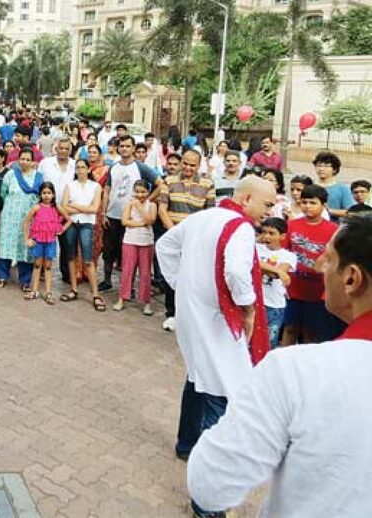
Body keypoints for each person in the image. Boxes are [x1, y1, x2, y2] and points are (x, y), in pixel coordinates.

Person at [187, 212, 372, 517]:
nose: (320, 266)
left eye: (329, 258)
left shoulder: (298, 371)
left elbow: (210, 484)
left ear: (351, 278)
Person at [156, 176, 277, 476]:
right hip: (218, 318)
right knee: (222, 387)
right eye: (268, 204)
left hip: (194, 313)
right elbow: (236, 272)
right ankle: (208, 482)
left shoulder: (204, 217)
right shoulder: (241, 228)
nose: (270, 211)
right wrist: (247, 308)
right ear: (247, 199)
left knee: (199, 376)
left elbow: (165, 245)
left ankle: (187, 446)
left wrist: (180, 285)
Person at [157, 150, 216, 332]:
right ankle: (171, 314)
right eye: (185, 163)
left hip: (196, 239)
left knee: (193, 277)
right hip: (174, 236)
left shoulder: (208, 184)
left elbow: (209, 213)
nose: (188, 168)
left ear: (198, 166)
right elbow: (162, 210)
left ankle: (191, 314)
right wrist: (176, 234)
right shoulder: (169, 181)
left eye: (193, 165)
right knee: (172, 276)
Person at [282, 184, 345, 345]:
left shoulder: (333, 230)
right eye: (304, 202)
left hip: (317, 291)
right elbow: (284, 252)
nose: (307, 206)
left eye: (312, 202)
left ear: (323, 205)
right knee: (290, 329)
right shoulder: (291, 225)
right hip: (293, 288)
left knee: (310, 333)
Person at [99, 135, 162, 292]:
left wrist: (146, 200)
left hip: (132, 219)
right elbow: (107, 190)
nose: (124, 149)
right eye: (122, 146)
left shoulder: (140, 167)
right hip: (112, 215)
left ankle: (128, 287)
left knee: (128, 255)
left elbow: (160, 184)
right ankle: (107, 280)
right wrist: (103, 212)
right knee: (108, 251)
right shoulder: (113, 167)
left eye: (128, 146)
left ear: (133, 148)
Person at [0, 148, 43, 290]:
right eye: (22, 159)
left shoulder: (38, 177)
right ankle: (2, 276)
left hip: (28, 218)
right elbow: (3, 193)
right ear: (18, 160)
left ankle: (25, 280)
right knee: (6, 245)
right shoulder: (10, 175)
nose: (24, 162)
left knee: (25, 246)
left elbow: (40, 197)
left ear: (33, 161)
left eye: (28, 159)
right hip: (9, 216)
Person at [60, 158, 103, 310]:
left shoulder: (95, 186)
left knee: (88, 259)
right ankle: (74, 289)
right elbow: (64, 208)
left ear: (88, 169)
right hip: (72, 223)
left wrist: (74, 206)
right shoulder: (70, 186)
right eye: (78, 167)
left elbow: (94, 208)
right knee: (71, 256)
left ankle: (95, 294)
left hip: (87, 224)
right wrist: (83, 208)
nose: (80, 170)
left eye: (83, 167)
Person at [113, 180, 157, 315]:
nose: (140, 195)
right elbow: (125, 221)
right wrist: (141, 223)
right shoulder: (129, 204)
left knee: (145, 273)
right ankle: (122, 298)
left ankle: (146, 301)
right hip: (130, 240)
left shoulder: (152, 205)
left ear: (148, 192)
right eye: (137, 191)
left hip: (146, 241)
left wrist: (139, 209)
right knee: (127, 270)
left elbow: (150, 220)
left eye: (143, 192)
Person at [22, 182, 70, 304]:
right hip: (38, 240)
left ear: (53, 194)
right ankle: (34, 290)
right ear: (40, 194)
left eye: (49, 193)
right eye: (44, 193)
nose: (46, 196)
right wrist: (26, 238)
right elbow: (26, 222)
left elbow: (69, 220)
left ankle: (48, 292)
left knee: (48, 266)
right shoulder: (36, 207)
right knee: (37, 265)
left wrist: (61, 230)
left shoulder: (57, 207)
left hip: (50, 241)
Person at [256, 217, 296, 349]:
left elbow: (275, 274)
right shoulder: (254, 248)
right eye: (264, 232)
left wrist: (277, 272)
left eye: (272, 233)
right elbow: (277, 272)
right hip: (255, 303)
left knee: (269, 344)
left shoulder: (288, 256)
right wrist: (278, 272)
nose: (266, 236)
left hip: (274, 306)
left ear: (282, 236)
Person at [312, 151, 352, 220]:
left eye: (326, 166)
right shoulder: (310, 186)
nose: (321, 169)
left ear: (334, 170)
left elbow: (350, 212)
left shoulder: (342, 189)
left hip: (335, 227)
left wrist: (329, 211)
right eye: (319, 165)